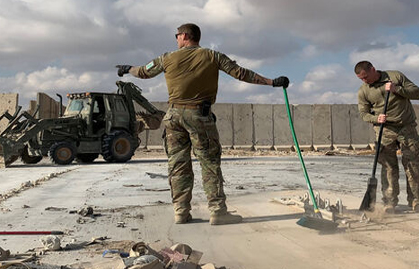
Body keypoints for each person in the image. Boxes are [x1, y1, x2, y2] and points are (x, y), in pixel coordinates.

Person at [116, 23, 289, 225]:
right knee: (209, 163)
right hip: (199, 116)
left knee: (178, 165)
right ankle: (217, 211)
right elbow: (241, 73)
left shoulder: (167, 58)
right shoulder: (213, 56)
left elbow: (143, 71)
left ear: (185, 36)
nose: (176, 39)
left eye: (177, 36)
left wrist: (128, 69)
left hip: (173, 118)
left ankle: (181, 211)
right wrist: (272, 82)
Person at [355, 61, 419, 213]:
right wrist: (376, 119)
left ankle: (415, 200)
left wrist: (397, 89)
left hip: (406, 127)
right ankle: (389, 203)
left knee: (414, 164)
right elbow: (363, 114)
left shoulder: (395, 76)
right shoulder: (363, 91)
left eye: (366, 77)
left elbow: (417, 93)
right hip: (384, 130)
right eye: (361, 79)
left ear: (373, 69)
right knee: (388, 167)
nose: (364, 81)